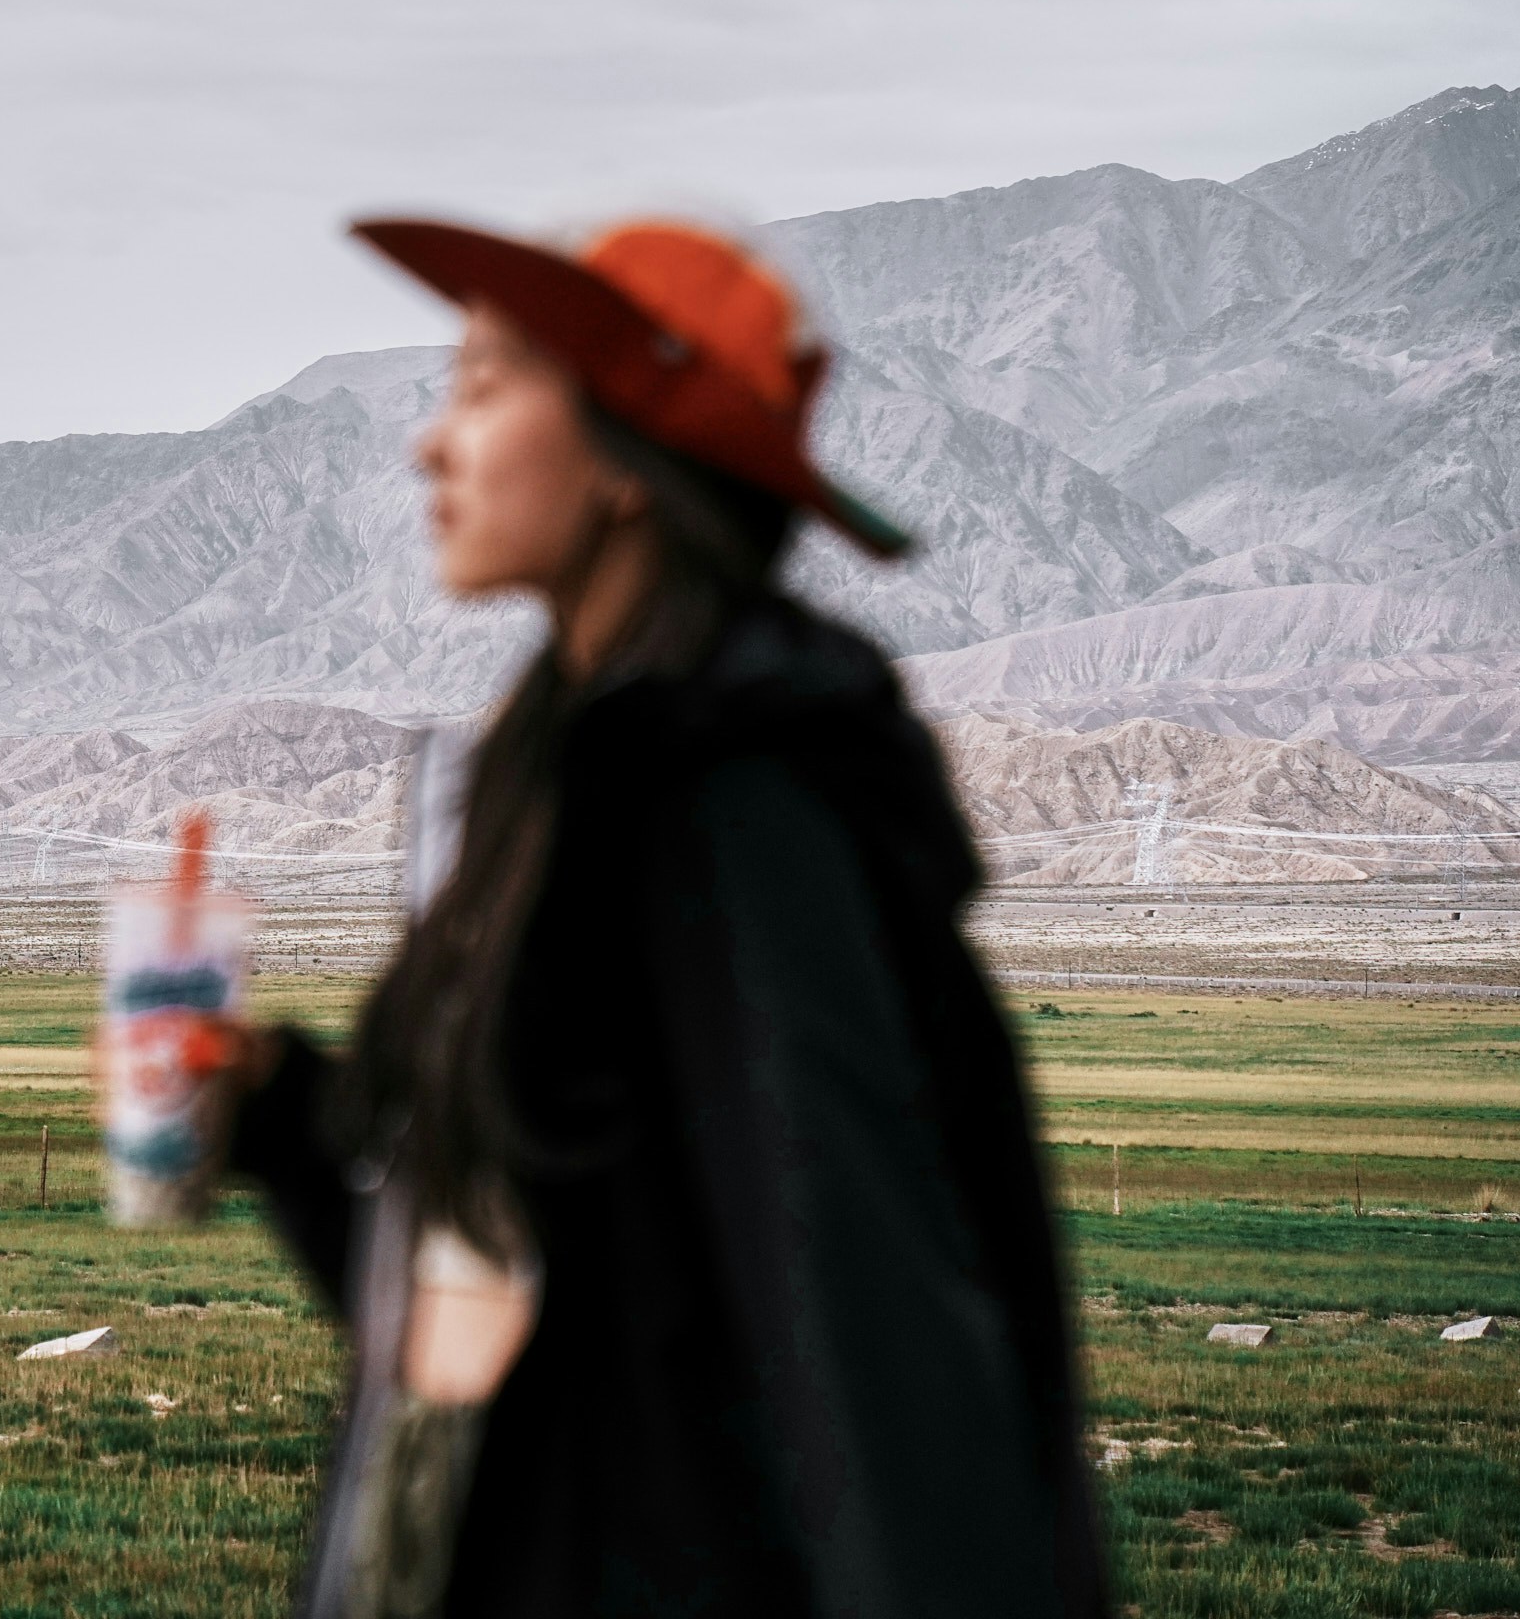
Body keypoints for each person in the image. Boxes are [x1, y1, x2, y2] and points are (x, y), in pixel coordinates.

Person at [222, 219, 1106, 1619]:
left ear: (630, 460)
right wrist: (276, 1120)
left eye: (487, 383)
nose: (429, 445)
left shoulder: (735, 812)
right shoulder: (549, 789)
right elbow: (499, 1322)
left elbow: (862, 1336)